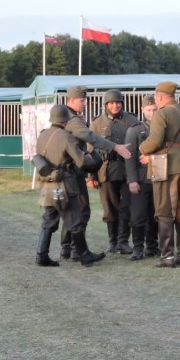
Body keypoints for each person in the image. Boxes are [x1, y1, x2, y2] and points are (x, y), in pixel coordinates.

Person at [60, 86, 132, 260]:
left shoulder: (74, 117)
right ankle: (76, 250)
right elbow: (90, 139)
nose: (84, 103)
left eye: (84, 100)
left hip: (113, 169)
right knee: (80, 210)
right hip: (78, 171)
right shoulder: (74, 119)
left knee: (75, 211)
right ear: (71, 100)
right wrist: (115, 147)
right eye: (81, 100)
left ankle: (71, 249)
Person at [34, 104, 106, 268]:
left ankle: (41, 255)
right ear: (66, 119)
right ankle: (84, 256)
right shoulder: (66, 137)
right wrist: (91, 157)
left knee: (48, 220)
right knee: (75, 220)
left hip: (47, 185)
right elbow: (80, 161)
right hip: (65, 184)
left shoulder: (43, 135)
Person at [139, 81, 180, 267]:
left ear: (160, 96)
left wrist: (143, 149)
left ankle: (167, 256)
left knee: (164, 211)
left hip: (167, 166)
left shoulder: (162, 113)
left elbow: (154, 141)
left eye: (156, 97)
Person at [89, 89, 139, 254]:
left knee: (127, 207)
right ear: (106, 105)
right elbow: (90, 151)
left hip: (127, 169)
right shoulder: (97, 123)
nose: (115, 106)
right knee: (110, 208)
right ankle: (113, 241)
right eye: (111, 103)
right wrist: (91, 175)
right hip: (106, 170)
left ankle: (123, 242)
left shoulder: (132, 120)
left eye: (118, 102)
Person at [124, 95, 160, 260]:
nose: (152, 113)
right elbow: (129, 157)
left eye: (154, 109)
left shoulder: (163, 128)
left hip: (159, 177)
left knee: (156, 215)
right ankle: (138, 247)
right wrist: (132, 180)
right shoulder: (135, 130)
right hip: (141, 178)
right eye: (148, 110)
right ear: (142, 110)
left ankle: (152, 246)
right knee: (138, 215)